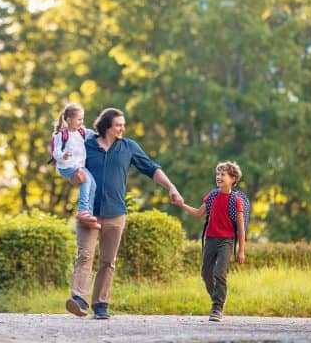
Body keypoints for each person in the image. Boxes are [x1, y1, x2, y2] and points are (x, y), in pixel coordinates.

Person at [65, 107, 184, 320]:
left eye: (123, 125)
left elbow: (151, 168)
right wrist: (72, 176)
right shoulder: (87, 145)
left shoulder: (128, 147)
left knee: (108, 261)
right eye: (118, 125)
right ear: (106, 126)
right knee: (85, 256)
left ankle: (101, 304)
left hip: (115, 213)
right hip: (89, 213)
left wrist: (171, 187)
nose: (122, 128)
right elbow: (70, 165)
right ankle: (79, 300)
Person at [173, 161, 246, 322]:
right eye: (217, 174)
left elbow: (241, 228)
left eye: (223, 174)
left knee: (219, 273)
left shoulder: (236, 200)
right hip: (210, 239)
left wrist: (241, 250)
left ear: (233, 178)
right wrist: (182, 204)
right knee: (206, 274)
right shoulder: (212, 195)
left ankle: (217, 308)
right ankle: (218, 297)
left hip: (226, 241)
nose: (219, 177)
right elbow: (199, 213)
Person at [51, 103, 100, 230]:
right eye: (79, 119)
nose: (81, 122)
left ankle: (88, 213)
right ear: (68, 120)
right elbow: (55, 152)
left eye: (82, 119)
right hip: (65, 166)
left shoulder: (82, 132)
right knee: (86, 179)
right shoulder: (61, 135)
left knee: (93, 184)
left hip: (78, 166)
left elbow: (95, 134)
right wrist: (63, 156)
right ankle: (83, 211)